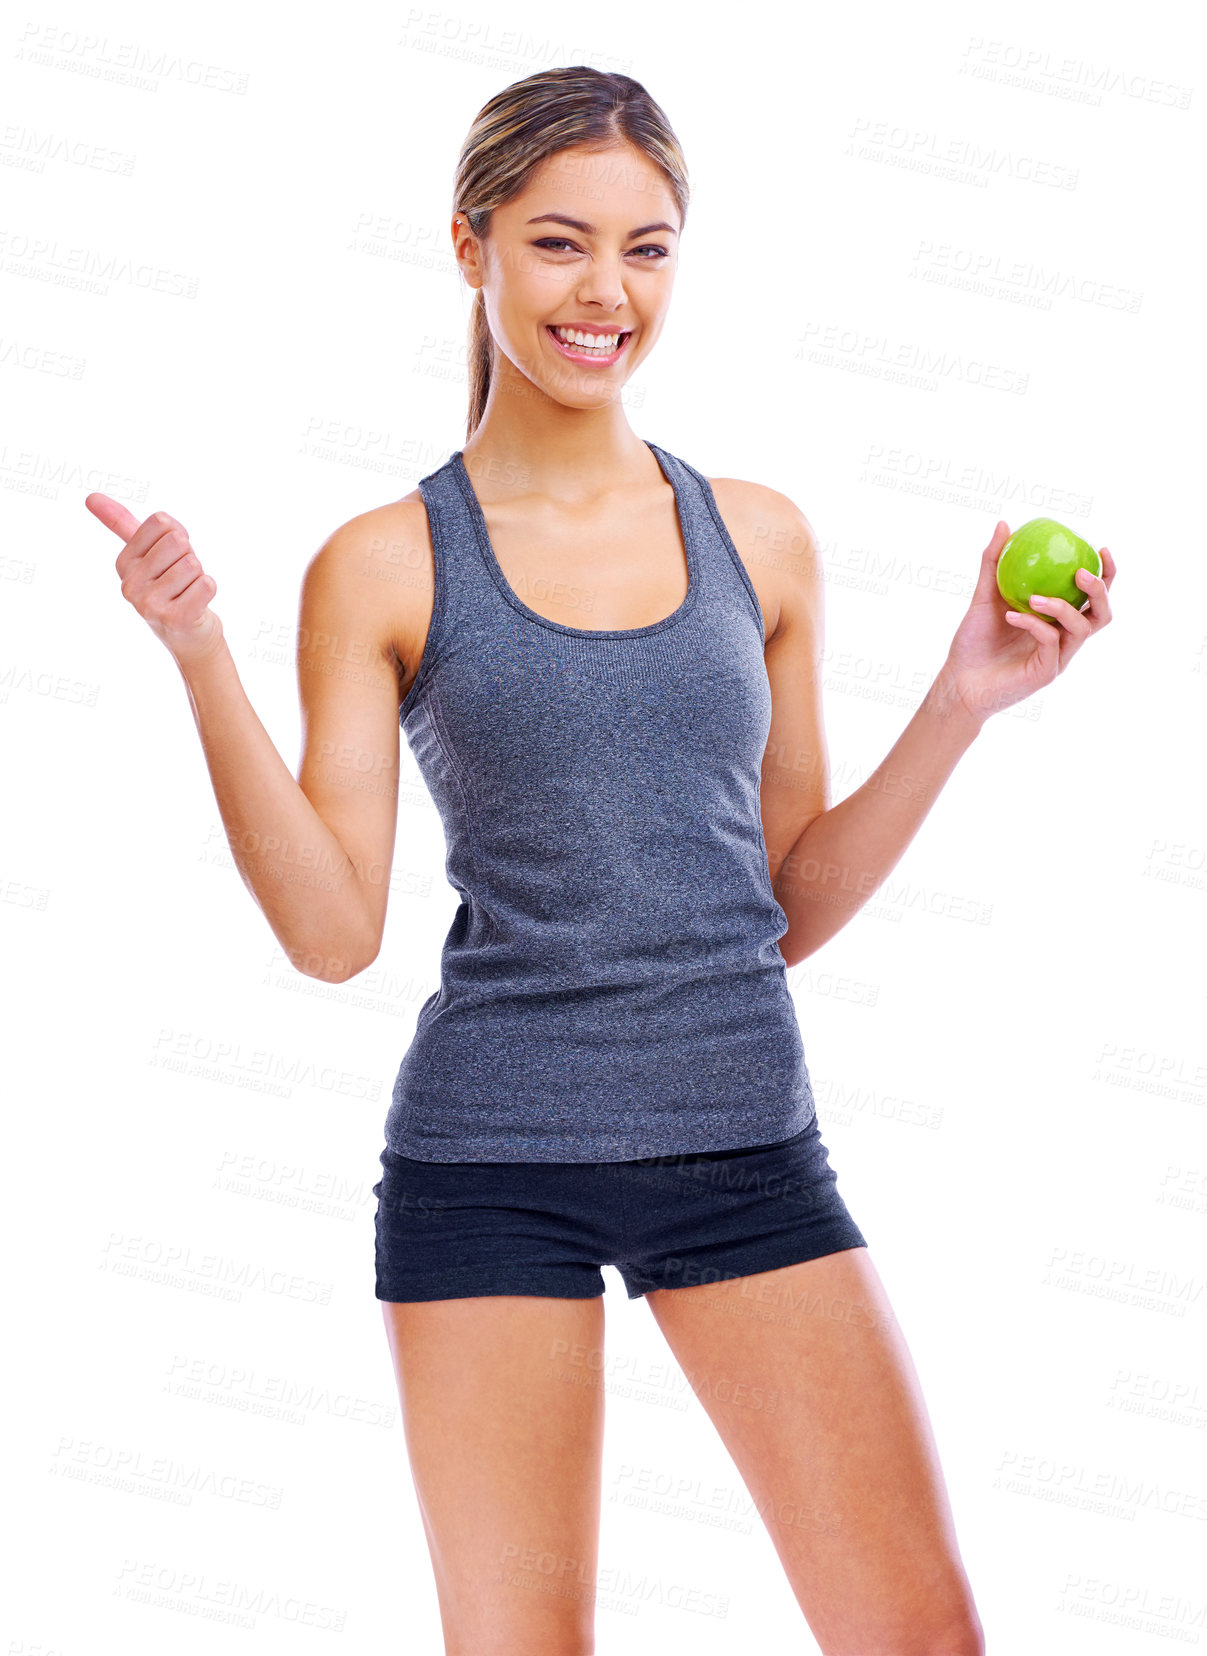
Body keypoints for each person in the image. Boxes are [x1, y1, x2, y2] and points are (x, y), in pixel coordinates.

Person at [86, 63, 1114, 1656]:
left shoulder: (757, 538)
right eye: (561, 242)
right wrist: (198, 654)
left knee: (923, 1639)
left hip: (745, 1149)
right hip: (489, 1169)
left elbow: (784, 907)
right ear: (469, 244)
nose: (604, 292)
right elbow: (331, 932)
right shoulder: (382, 564)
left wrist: (966, 699)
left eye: (649, 248)